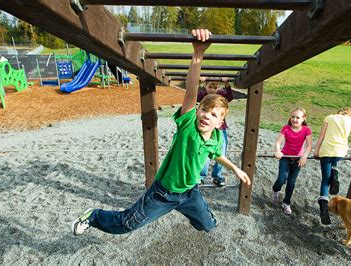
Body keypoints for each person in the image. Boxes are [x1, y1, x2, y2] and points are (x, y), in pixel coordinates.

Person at [71, 29, 251, 236]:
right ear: (197, 112)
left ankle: (194, 213)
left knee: (208, 225)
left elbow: (216, 154)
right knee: (127, 224)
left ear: (220, 123)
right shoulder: (188, 127)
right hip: (163, 194)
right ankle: (94, 216)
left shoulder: (216, 137)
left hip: (190, 193)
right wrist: (198, 54)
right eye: (204, 110)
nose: (207, 116)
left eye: (214, 115)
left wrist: (235, 169)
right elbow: (192, 90)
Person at [313, 107, 351, 225]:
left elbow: (321, 137)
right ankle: (335, 173)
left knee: (325, 180)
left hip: (326, 151)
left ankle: (324, 206)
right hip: (340, 152)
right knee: (334, 161)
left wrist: (316, 151)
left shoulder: (329, 118)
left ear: (338, 112)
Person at [271, 107, 312, 215]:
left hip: (298, 159)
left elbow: (309, 146)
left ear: (303, 118)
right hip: (285, 157)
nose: (295, 119)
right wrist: (278, 151)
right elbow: (278, 142)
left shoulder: (306, 130)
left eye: (298, 117)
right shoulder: (286, 128)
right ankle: (275, 190)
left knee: (291, 182)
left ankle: (286, 202)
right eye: (293, 117)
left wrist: (304, 156)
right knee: (281, 179)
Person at [197, 77, 234, 187]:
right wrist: (199, 81)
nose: (213, 90)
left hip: (220, 128)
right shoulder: (202, 95)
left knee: (221, 152)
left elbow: (230, 97)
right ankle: (201, 176)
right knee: (205, 151)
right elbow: (194, 93)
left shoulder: (221, 94)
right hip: (207, 129)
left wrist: (226, 83)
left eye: (215, 87)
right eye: (210, 87)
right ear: (205, 86)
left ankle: (217, 176)